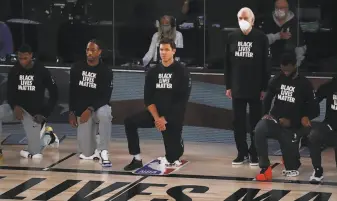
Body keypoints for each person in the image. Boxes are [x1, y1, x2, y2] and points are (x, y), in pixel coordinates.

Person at [123, 38, 191, 171]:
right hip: (155, 114)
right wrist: (157, 118)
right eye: (161, 50)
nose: (163, 53)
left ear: (173, 51)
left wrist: (165, 119)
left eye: (166, 50)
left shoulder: (182, 71)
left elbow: (181, 101)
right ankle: (136, 158)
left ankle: (178, 144)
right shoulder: (153, 72)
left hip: (173, 116)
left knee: (172, 157)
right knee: (129, 122)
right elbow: (148, 99)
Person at [254, 51, 319, 181]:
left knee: (292, 170)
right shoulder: (277, 79)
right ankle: (265, 168)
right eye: (283, 69)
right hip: (276, 121)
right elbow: (267, 99)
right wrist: (265, 113)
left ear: (295, 66)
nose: (285, 72)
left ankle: (292, 157)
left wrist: (302, 118)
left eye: (288, 69)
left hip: (294, 125)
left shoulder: (304, 83)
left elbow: (315, 109)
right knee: (259, 129)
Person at [225, 7, 271, 166]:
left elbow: (266, 64)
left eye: (245, 18)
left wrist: (265, 88)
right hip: (237, 87)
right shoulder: (232, 37)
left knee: (255, 122)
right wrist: (228, 86)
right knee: (237, 122)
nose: (243, 21)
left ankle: (254, 153)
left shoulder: (261, 37)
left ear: (252, 20)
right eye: (240, 18)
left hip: (256, 88)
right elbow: (227, 64)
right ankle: (241, 153)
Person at [5, 44, 59, 159]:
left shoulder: (42, 70)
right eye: (20, 58)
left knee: (35, 154)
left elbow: (54, 94)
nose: (22, 61)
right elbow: (9, 92)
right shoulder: (14, 70)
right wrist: (14, 105)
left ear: (31, 56)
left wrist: (44, 114)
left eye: (25, 58)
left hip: (34, 114)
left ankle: (49, 137)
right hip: (17, 109)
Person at [68, 39, 113, 167]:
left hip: (97, 108)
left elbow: (105, 96)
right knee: (86, 154)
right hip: (82, 111)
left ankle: (104, 150)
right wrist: (71, 112)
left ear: (99, 52)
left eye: (93, 50)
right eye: (88, 50)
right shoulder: (77, 68)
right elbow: (72, 91)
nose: (89, 53)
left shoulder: (106, 71)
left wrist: (90, 109)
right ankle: (95, 141)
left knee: (105, 113)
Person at [300, 76, 337, 182]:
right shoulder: (330, 86)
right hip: (330, 127)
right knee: (314, 135)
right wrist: (305, 115)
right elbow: (312, 102)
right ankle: (317, 170)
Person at [262, 0, 306, 68]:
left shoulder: (294, 23)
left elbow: (300, 45)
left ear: (288, 8)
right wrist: (278, 36)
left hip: (289, 65)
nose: (279, 10)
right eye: (277, 7)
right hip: (269, 64)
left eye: (282, 7)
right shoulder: (268, 21)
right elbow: (260, 41)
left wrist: (298, 62)